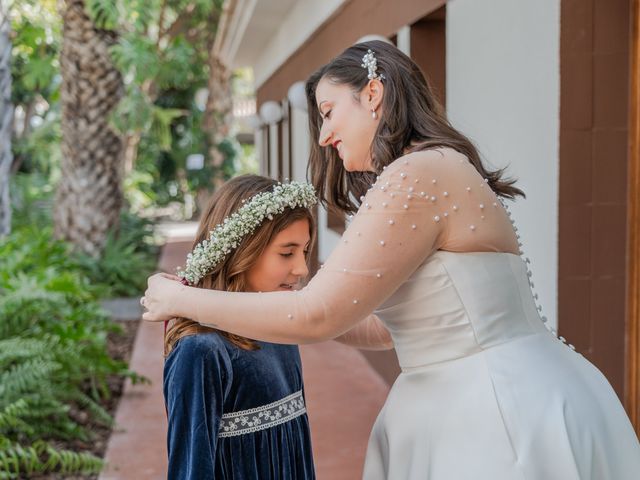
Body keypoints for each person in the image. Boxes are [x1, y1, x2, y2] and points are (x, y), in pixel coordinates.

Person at [144, 41, 640, 479]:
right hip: (472, 397)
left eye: (329, 111)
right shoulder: (430, 168)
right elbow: (384, 328)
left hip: (492, 411)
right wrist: (271, 299)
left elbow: (319, 315)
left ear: (373, 95)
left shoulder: (419, 172)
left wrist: (182, 298)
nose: (323, 136)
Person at [162, 175, 318, 479]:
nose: (302, 269)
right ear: (241, 251)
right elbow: (190, 469)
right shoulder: (202, 351)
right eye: (287, 252)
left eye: (305, 251)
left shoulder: (278, 328)